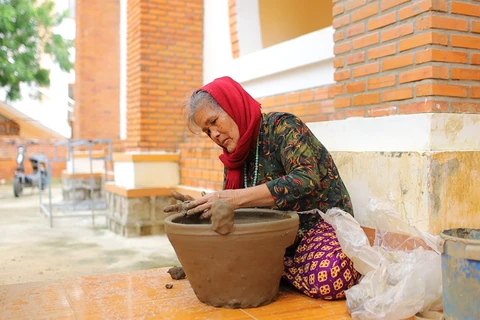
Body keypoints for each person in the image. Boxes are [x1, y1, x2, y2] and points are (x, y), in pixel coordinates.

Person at [164, 76, 360, 300]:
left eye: (214, 121)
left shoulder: (283, 127)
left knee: (331, 278)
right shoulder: (235, 159)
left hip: (318, 228)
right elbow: (234, 212)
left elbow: (306, 179)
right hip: (274, 239)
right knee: (215, 260)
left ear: (233, 106)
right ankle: (274, 270)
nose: (215, 134)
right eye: (207, 131)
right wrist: (200, 211)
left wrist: (234, 199)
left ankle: (275, 272)